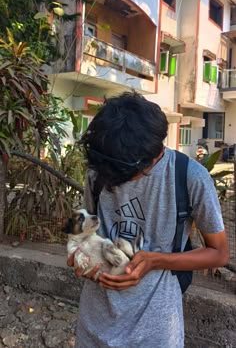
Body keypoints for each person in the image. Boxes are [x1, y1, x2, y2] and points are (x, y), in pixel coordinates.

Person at [68, 91, 229, 348]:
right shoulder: (100, 171)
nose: (113, 179)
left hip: (156, 331)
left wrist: (155, 260)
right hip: (94, 326)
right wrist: (79, 256)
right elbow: (87, 233)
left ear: (153, 155)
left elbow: (219, 254)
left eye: (125, 173)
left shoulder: (190, 177)